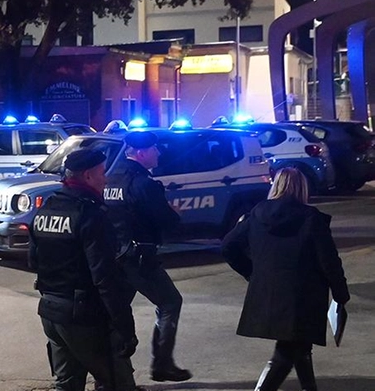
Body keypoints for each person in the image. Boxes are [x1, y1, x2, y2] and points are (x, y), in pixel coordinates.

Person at [222, 167, 350, 391]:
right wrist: (340, 293)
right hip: (303, 296)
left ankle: (309, 388)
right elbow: (329, 261)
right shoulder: (312, 219)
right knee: (286, 352)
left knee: (299, 346)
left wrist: (251, 272)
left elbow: (228, 246)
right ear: (302, 188)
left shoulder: (257, 213)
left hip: (268, 294)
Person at [29, 147, 140, 391]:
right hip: (84, 315)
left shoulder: (47, 207)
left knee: (67, 384)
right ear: (88, 176)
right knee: (117, 382)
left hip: (50, 311)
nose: (106, 178)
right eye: (102, 172)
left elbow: (33, 261)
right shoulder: (91, 214)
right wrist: (124, 326)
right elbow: (105, 277)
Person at [102, 130, 191, 382]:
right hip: (139, 257)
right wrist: (174, 212)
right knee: (170, 302)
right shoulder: (144, 184)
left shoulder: (111, 179)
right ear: (141, 153)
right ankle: (162, 364)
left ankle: (111, 374)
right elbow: (166, 220)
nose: (159, 153)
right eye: (155, 149)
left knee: (116, 314)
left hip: (115, 256)